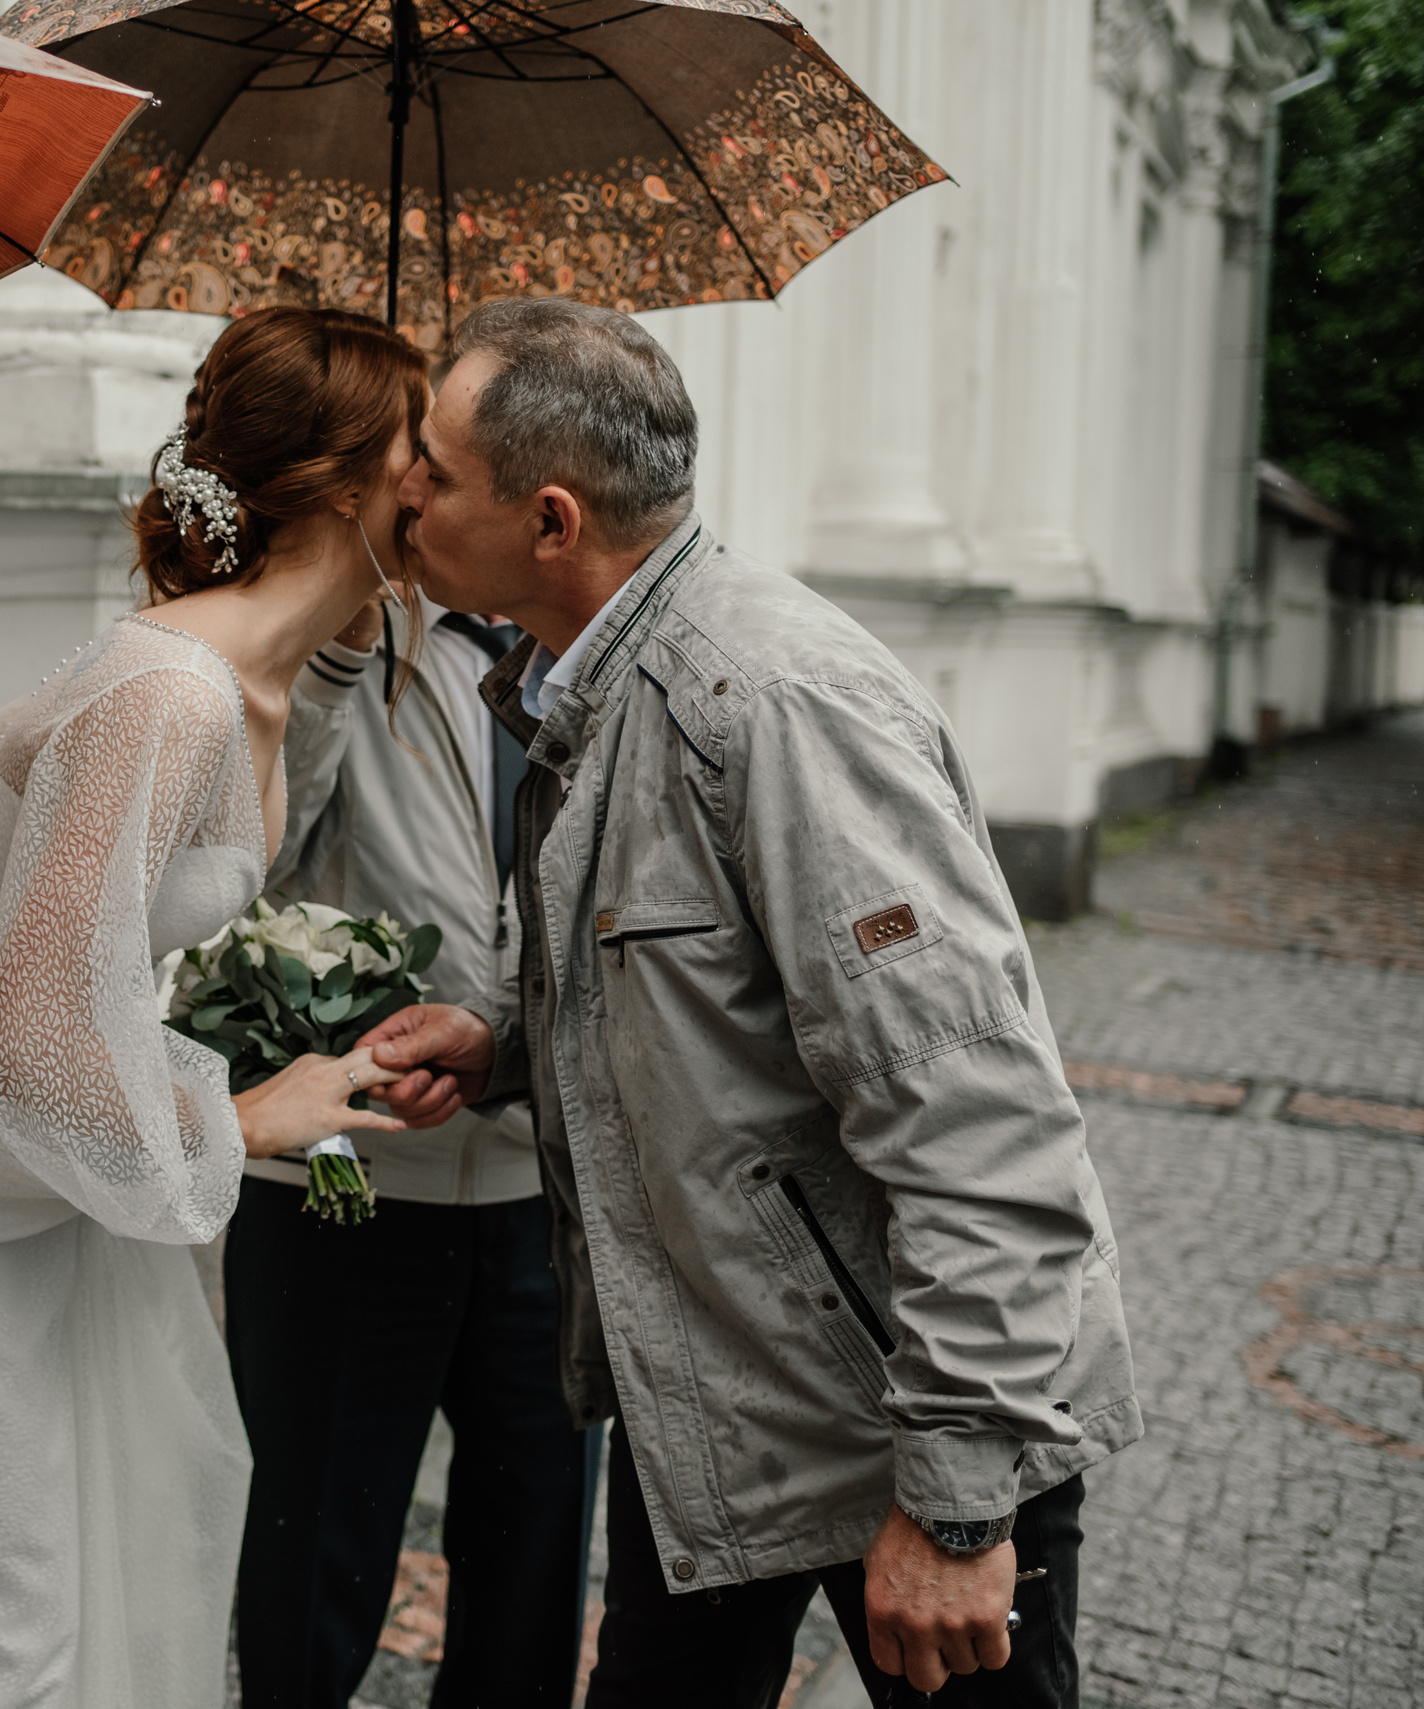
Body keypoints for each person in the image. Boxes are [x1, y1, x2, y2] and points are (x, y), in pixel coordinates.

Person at [358, 298, 1141, 1709]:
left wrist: (960, 1498)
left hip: (895, 1417)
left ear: (549, 521)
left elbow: (978, 1113)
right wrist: (507, 1049)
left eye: (431, 460)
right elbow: (705, 1004)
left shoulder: (775, 704)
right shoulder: (582, 686)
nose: (400, 484)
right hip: (722, 1404)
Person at [0, 308, 429, 1705]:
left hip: (33, 1181)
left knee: (69, 1562)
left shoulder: (251, 684)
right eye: (427, 445)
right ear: (353, 481)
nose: (450, 482)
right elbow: (27, 1037)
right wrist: (243, 1116)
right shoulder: (170, 693)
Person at [233, 575, 589, 1703]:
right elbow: (257, 861)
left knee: (534, 1566)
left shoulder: (588, 644)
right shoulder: (332, 629)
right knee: (311, 1553)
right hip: (344, 1191)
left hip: (548, 1191)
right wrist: (334, 663)